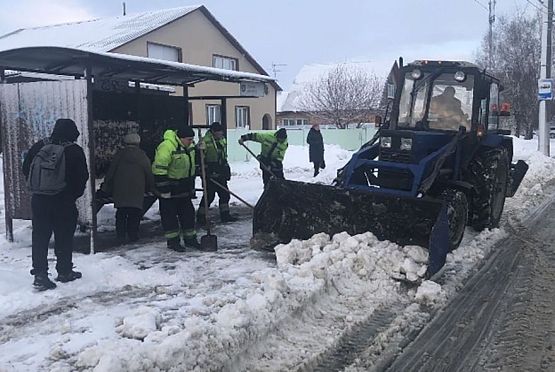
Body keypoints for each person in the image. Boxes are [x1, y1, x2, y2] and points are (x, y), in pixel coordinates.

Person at [22, 118, 89, 291]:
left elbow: (26, 168)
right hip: (63, 200)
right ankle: (65, 271)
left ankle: (40, 274)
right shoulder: (74, 150)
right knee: (64, 236)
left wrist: (40, 187)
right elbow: (82, 177)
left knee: (40, 237)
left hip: (39, 200)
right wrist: (71, 195)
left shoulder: (39, 146)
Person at [101, 132, 155, 244]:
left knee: (121, 213)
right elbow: (148, 172)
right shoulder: (142, 156)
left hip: (120, 189)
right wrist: (151, 186)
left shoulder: (119, 155)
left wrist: (106, 187)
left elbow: (111, 172)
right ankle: (133, 235)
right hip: (137, 189)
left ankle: (120, 235)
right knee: (134, 213)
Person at [152, 126, 200, 252]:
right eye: (189, 139)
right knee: (170, 217)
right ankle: (173, 242)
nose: (191, 142)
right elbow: (158, 169)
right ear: (180, 138)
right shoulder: (167, 147)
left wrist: (200, 151)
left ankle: (190, 239)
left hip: (184, 187)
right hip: (170, 189)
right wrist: (164, 190)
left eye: (192, 139)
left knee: (188, 214)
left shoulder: (190, 147)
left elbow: (194, 164)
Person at [196, 122, 237, 225]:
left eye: (221, 131)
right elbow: (199, 158)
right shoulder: (205, 141)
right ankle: (201, 216)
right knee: (209, 196)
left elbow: (223, 155)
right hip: (209, 172)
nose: (221, 133)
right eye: (219, 132)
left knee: (224, 194)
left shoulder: (222, 139)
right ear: (213, 131)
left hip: (220, 171)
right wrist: (204, 171)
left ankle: (225, 215)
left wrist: (226, 169)